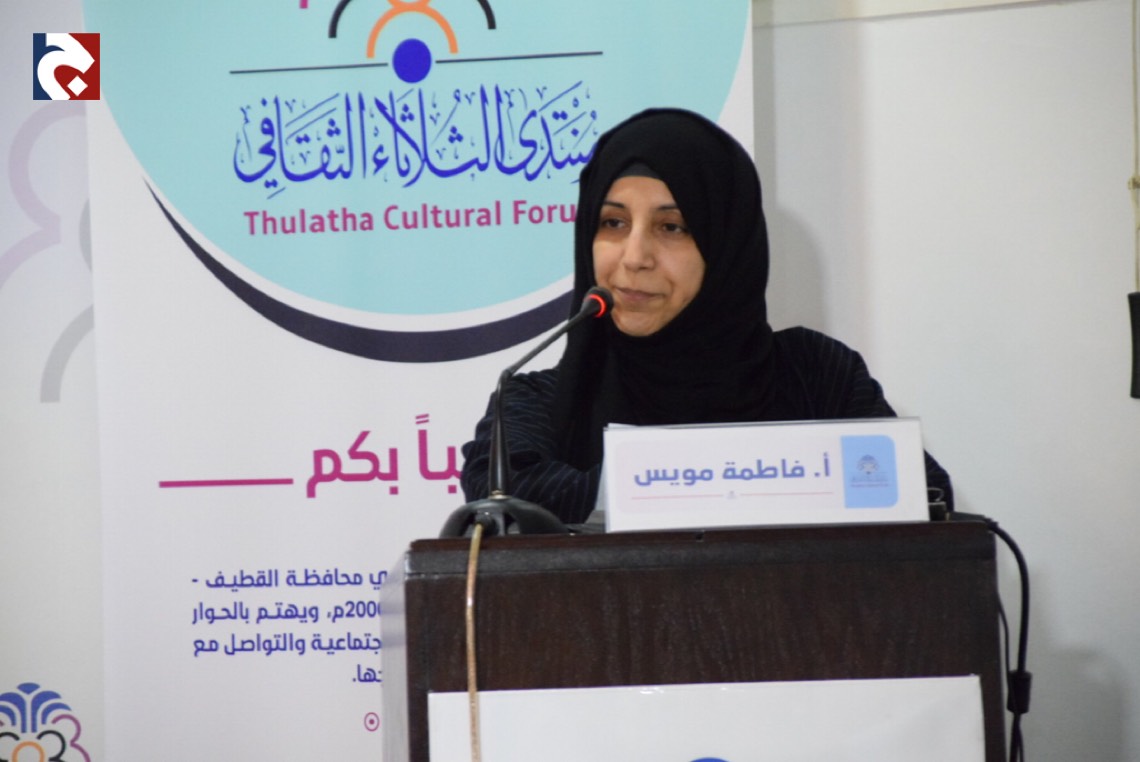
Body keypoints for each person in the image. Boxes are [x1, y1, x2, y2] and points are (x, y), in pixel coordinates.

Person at [460, 107, 952, 525]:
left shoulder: (818, 376)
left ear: (727, 245)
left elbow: (922, 496)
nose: (634, 257)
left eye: (672, 227)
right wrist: (750, 481)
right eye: (613, 222)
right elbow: (505, 506)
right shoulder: (537, 400)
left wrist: (672, 483)